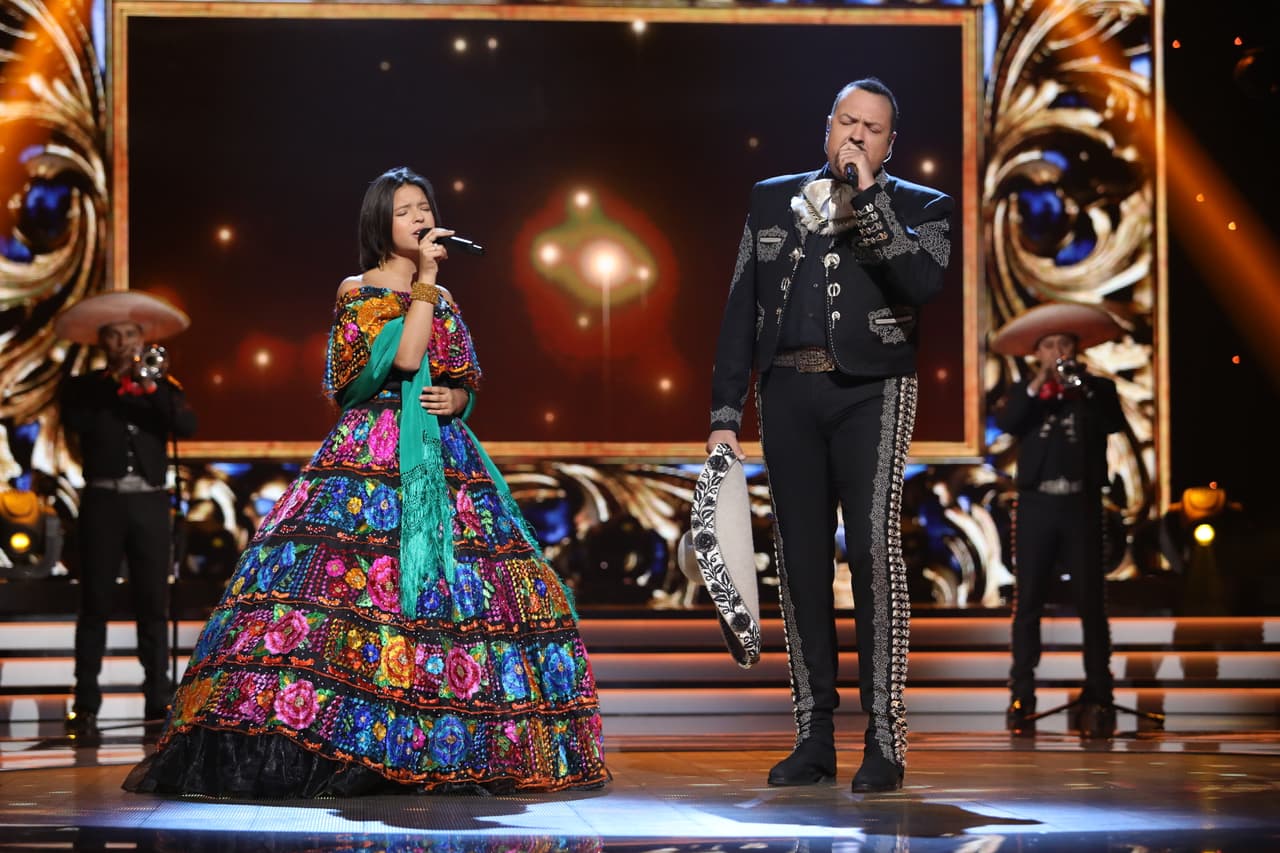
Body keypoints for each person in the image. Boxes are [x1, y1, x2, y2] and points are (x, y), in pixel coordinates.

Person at [123, 166, 609, 797]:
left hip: (443, 458)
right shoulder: (358, 289)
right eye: (405, 209)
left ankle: (444, 740)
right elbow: (402, 359)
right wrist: (427, 285)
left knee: (463, 595)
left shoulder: (448, 301)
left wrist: (455, 401)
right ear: (381, 220)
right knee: (346, 589)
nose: (419, 217)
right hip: (372, 454)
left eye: (424, 207)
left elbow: (462, 375)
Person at [706, 78, 953, 793]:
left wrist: (869, 196)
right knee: (802, 561)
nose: (856, 135)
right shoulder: (769, 197)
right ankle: (814, 735)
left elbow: (920, 282)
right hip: (786, 391)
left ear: (888, 142)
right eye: (847, 121)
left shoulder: (921, 207)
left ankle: (885, 737)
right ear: (827, 124)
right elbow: (738, 311)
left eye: (871, 128)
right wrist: (726, 415)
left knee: (874, 555)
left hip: (873, 388)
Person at [55, 291, 198, 739]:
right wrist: (117, 386)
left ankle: (158, 698)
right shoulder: (84, 388)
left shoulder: (162, 387)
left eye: (130, 334)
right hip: (103, 501)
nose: (123, 342)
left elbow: (187, 426)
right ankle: (86, 703)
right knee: (94, 602)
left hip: (150, 502)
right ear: (103, 343)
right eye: (114, 336)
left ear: (141, 339)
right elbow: (77, 423)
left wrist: (150, 386)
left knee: (153, 604)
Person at [990, 302, 1126, 738]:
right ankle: (1022, 693)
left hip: (1082, 504)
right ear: (1037, 353)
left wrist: (1080, 385)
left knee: (1091, 602)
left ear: (1076, 347)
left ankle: (1099, 695)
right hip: (1036, 506)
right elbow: (1007, 423)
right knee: (1027, 602)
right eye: (1048, 345)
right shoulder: (1023, 392)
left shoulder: (1097, 389)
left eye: (1064, 343)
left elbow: (1112, 424)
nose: (1057, 351)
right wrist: (1038, 384)